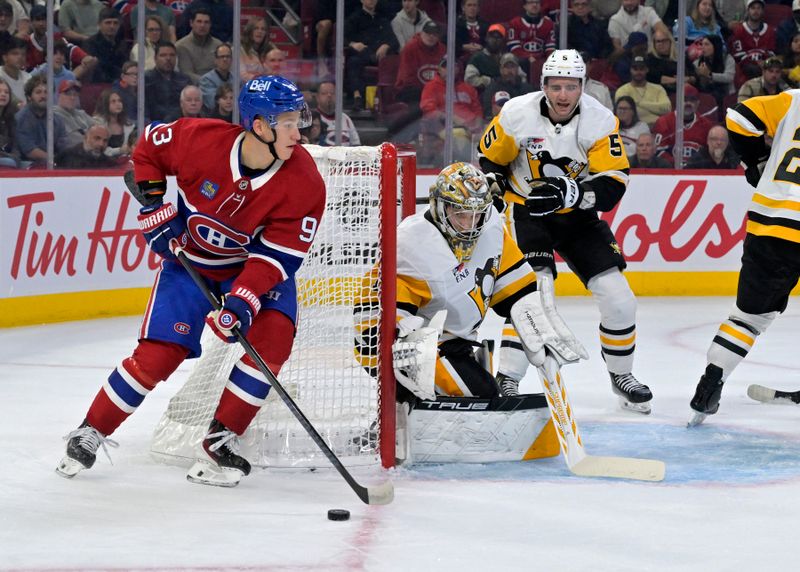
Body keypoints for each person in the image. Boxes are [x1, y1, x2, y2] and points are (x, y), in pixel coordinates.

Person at [56, 75, 326, 487]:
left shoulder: (305, 182)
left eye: (297, 120)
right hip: (189, 264)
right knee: (157, 357)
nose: (298, 131)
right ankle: (90, 430)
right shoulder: (199, 139)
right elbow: (147, 148)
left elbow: (278, 256)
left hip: (250, 269)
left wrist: (241, 301)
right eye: (287, 122)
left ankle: (220, 440)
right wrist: (152, 204)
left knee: (273, 342)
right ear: (258, 125)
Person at [477, 49, 652, 413]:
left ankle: (622, 375)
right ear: (542, 85)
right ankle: (508, 376)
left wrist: (574, 193)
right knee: (535, 295)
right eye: (555, 86)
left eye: (571, 86)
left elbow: (614, 182)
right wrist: (493, 181)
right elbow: (490, 158)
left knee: (619, 298)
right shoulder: (516, 114)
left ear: (582, 86)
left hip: (577, 216)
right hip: (527, 213)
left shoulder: (601, 121)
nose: (562, 95)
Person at [354, 162, 584, 403]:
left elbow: (519, 294)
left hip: (451, 339)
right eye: (460, 214)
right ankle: (403, 414)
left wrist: (540, 328)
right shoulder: (412, 247)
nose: (469, 224)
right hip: (388, 344)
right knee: (480, 395)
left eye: (476, 214)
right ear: (439, 207)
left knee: (481, 389)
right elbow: (377, 332)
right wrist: (411, 364)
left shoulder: (490, 226)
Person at [689, 89, 800, 425]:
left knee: (747, 319)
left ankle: (711, 384)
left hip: (772, 224)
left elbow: (738, 117)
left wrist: (758, 162)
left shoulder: (795, 98)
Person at [652, 83, 713, 166]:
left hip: (697, 170)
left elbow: (710, 152)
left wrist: (693, 165)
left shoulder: (706, 125)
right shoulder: (664, 122)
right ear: (677, 101)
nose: (688, 103)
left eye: (692, 100)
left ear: (698, 103)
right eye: (684, 99)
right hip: (670, 171)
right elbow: (658, 150)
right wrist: (677, 164)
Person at [15, 75, 69, 163]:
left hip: (53, 163)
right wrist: (55, 160)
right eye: (38, 92)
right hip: (27, 166)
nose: (43, 96)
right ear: (29, 97)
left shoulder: (57, 119)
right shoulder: (21, 119)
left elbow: (63, 146)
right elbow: (30, 151)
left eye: (46, 92)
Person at [614, 55, 671, 127]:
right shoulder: (622, 91)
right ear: (630, 70)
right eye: (635, 69)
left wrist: (638, 103)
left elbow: (667, 108)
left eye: (641, 69)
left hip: (657, 127)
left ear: (647, 70)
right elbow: (625, 114)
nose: (638, 72)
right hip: (631, 128)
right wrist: (655, 109)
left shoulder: (658, 88)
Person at [144, 41, 192, 123]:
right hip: (155, 126)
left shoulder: (184, 80)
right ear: (155, 59)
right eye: (163, 55)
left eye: (172, 55)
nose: (168, 59)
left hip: (181, 125)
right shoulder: (146, 80)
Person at [506, 0, 556, 74]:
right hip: (521, 62)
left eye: (537, 2)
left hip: (542, 61)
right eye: (531, 2)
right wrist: (528, 57)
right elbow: (514, 48)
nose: (534, 5)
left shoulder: (548, 24)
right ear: (524, 6)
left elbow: (550, 48)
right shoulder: (515, 23)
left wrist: (549, 62)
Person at [481, 52, 534, 120]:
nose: (509, 70)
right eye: (506, 67)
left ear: (517, 69)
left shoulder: (527, 89)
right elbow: (487, 113)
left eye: (512, 67)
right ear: (501, 69)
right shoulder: (492, 88)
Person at [175, 8, 222, 84]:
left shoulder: (218, 45)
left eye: (206, 22)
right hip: (193, 88)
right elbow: (187, 74)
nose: (202, 25)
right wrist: (209, 82)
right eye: (199, 22)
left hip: (218, 87)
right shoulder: (181, 46)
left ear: (210, 25)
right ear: (191, 23)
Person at [85, 7, 129, 84]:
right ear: (99, 24)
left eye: (115, 23)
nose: (112, 26)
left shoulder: (123, 44)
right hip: (99, 85)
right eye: (108, 23)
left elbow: (126, 67)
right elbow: (97, 71)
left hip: (122, 84)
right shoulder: (90, 44)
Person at [694, 33, 735, 112]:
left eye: (706, 44)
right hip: (705, 92)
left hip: (725, 93)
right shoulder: (699, 61)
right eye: (702, 44)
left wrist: (710, 75)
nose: (703, 48)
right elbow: (694, 72)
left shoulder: (727, 58)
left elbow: (729, 77)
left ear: (715, 46)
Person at [315, 79, 360, 146]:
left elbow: (356, 145)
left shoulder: (345, 118)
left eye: (332, 93)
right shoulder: (313, 118)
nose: (329, 95)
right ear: (317, 97)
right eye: (324, 93)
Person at [464, 23, 507, 92]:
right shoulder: (477, 58)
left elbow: (522, 77)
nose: (495, 40)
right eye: (492, 37)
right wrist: (489, 81)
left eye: (498, 38)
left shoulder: (506, 58)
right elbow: (469, 79)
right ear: (487, 38)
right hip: (483, 94)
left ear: (503, 41)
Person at [93, 88, 134, 157]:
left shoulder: (129, 125)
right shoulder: (97, 123)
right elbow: (97, 148)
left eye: (119, 101)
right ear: (105, 104)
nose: (118, 104)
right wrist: (119, 150)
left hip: (124, 162)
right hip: (103, 162)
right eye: (113, 101)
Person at [53, 79, 94, 148]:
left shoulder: (81, 113)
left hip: (90, 149)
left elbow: (99, 129)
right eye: (68, 94)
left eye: (75, 94)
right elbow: (74, 141)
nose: (72, 98)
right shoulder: (54, 115)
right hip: (71, 154)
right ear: (59, 95)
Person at [199, 42, 232, 111]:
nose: (225, 59)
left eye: (228, 56)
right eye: (222, 57)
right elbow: (212, 104)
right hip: (213, 117)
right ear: (215, 60)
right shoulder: (206, 80)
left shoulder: (237, 79)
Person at [239, 16, 271, 83]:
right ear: (249, 31)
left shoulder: (269, 50)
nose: (260, 31)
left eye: (263, 29)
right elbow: (242, 76)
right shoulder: (239, 50)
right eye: (256, 28)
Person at [0, 76, 20, 167]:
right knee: (10, 162)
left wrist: (15, 157)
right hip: (6, 158)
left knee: (33, 165)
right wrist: (11, 157)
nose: (3, 94)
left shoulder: (11, 119)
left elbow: (16, 146)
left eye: (6, 92)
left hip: (10, 158)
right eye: (0, 91)